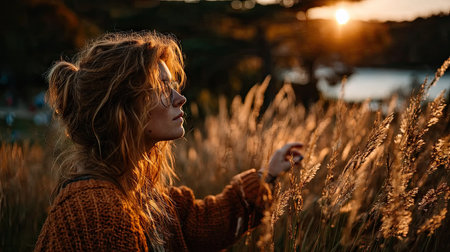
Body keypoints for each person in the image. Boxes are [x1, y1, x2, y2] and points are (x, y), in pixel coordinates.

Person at [35, 32, 302, 252]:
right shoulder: (97, 214)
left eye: (173, 86)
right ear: (123, 106)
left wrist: (267, 175)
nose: (179, 98)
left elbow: (203, 225)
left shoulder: (140, 193)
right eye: (162, 88)